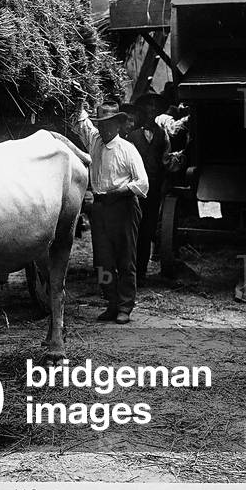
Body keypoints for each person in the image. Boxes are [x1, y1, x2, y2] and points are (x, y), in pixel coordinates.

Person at [71, 102, 149, 324]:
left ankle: (125, 306)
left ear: (117, 125)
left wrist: (120, 191)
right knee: (103, 262)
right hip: (100, 207)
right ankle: (112, 303)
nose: (104, 129)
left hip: (124, 206)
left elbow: (143, 183)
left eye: (108, 124)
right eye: (101, 125)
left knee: (125, 259)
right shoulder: (95, 140)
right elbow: (81, 123)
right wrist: (78, 99)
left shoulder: (127, 149)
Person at [125, 92, 172, 282]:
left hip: (154, 191)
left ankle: (142, 273)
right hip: (135, 192)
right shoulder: (131, 137)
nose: (151, 109)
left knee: (148, 229)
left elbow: (166, 160)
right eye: (148, 106)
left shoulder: (163, 135)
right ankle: (130, 272)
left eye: (155, 107)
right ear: (143, 110)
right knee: (133, 230)